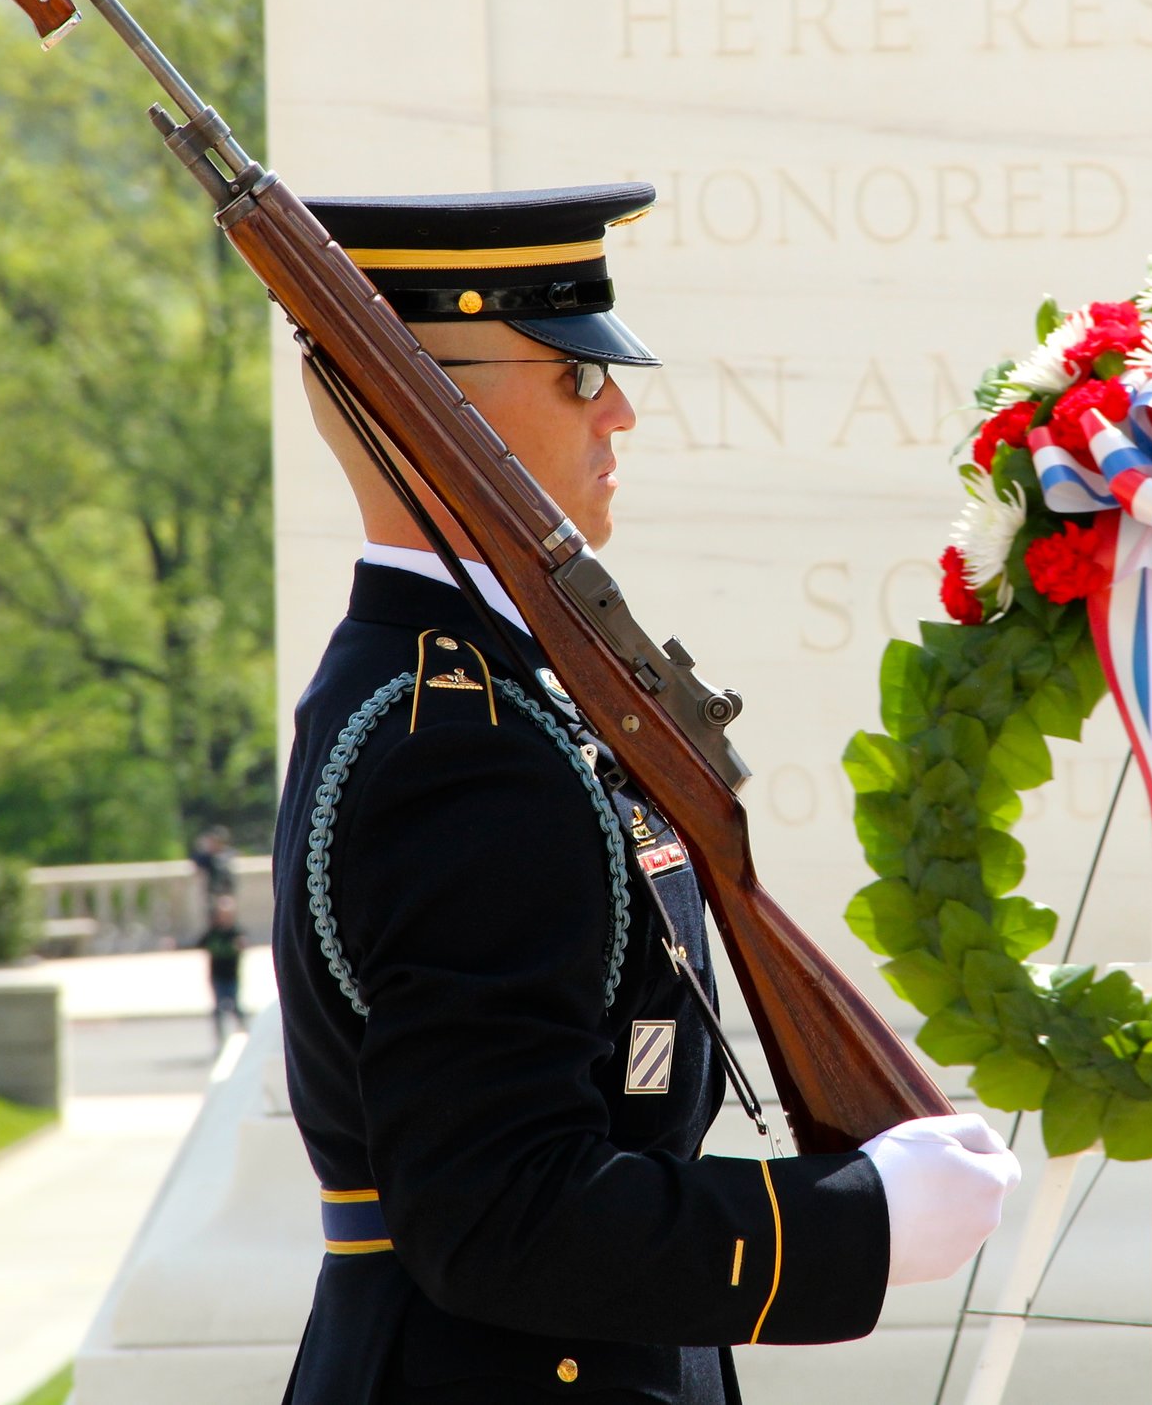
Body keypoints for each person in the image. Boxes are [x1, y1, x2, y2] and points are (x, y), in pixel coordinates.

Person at [270, 183, 1019, 1404]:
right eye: (574, 375)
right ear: (436, 407)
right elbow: (500, 1211)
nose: (618, 405)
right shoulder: (465, 742)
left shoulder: (473, 691)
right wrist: (851, 1222)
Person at [198, 891, 247, 1048]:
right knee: (218, 1009)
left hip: (232, 974)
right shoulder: (213, 933)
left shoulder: (236, 932)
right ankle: (220, 1040)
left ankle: (243, 1034)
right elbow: (199, 943)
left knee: (236, 1007)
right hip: (217, 975)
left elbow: (243, 946)